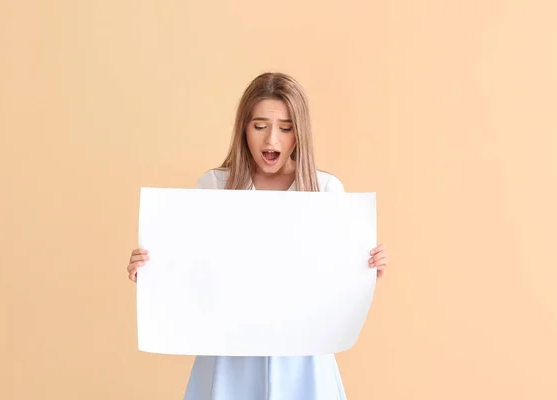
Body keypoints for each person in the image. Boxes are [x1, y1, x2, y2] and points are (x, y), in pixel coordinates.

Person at [126, 72, 388, 400]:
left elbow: (333, 283)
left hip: (303, 359)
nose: (271, 141)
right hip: (229, 355)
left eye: (286, 128)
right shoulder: (214, 186)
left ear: (300, 133)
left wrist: (364, 271)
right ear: (244, 128)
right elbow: (193, 271)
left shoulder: (325, 191)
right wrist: (153, 273)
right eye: (260, 126)